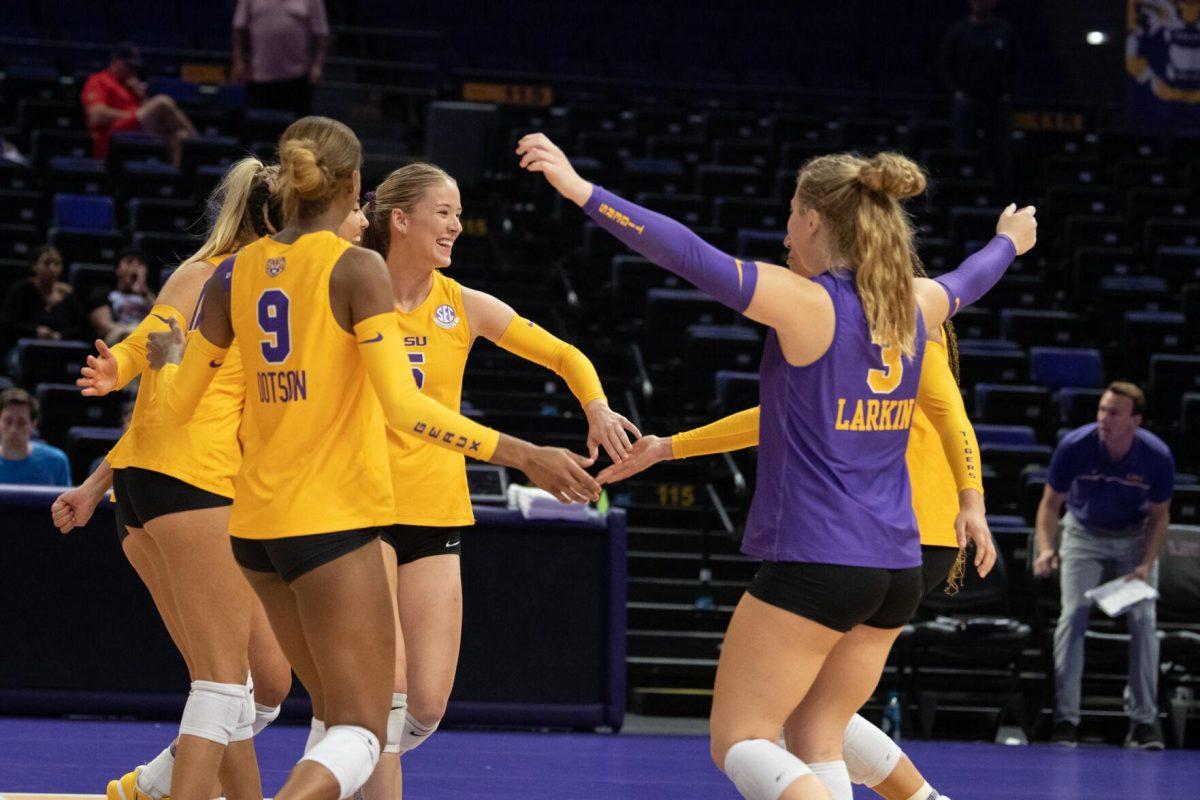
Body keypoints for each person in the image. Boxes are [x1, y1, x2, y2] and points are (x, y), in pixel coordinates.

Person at [519, 132, 1035, 800]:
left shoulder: (805, 302)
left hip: (820, 556)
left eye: (792, 214)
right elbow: (975, 276)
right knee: (819, 733)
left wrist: (581, 191)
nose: (786, 233)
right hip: (897, 567)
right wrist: (1009, 241)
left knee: (741, 738)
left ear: (814, 218)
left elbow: (686, 253)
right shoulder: (917, 304)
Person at [149, 116, 598, 800]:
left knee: (343, 717)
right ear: (356, 187)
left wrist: (159, 361)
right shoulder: (356, 268)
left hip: (255, 532)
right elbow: (406, 409)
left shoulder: (232, 273)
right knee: (362, 728)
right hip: (333, 524)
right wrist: (521, 452)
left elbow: (176, 410)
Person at [599, 285, 991, 800]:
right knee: (819, 711)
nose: (787, 242)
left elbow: (950, 412)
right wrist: (671, 447)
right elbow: (780, 416)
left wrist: (973, 498)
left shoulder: (892, 315)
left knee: (808, 724)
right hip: (918, 540)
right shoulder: (868, 320)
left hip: (882, 534)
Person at [344, 163, 638, 799]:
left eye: (458, 213)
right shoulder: (348, 293)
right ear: (400, 220)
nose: (456, 226)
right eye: (444, 212)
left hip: (436, 512)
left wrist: (594, 405)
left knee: (424, 704)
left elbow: (564, 354)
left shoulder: (462, 306)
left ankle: (337, 761)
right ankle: (348, 754)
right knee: (386, 701)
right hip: (359, 507)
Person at [58, 158, 294, 800]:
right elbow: (149, 343)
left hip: (159, 480)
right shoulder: (209, 271)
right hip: (191, 486)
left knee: (266, 683)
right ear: (278, 215)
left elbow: (171, 398)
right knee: (223, 683)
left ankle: (154, 783)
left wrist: (93, 484)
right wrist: (122, 370)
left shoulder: (279, 282)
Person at [1033, 382, 1174, 750]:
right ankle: (1065, 720)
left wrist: (1146, 564)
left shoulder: (1156, 456)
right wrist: (1047, 548)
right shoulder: (1075, 446)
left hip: (1134, 538)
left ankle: (1145, 723)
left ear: (1135, 420)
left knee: (1143, 620)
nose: (1104, 419)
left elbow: (1160, 517)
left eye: (1114, 412)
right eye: (1101, 410)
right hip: (1082, 534)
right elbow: (1050, 505)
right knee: (1073, 613)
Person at [938, 0, 1017, 190]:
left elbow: (1015, 65)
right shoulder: (958, 31)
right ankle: (963, 190)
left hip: (996, 103)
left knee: (999, 152)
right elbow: (944, 65)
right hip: (967, 102)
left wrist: (1007, 92)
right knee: (964, 148)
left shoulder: (1005, 32)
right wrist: (956, 92)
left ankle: (999, 194)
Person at [81, 42, 198, 166]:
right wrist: (134, 115)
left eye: (134, 67)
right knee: (163, 101)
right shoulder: (98, 80)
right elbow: (97, 115)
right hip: (113, 135)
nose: (132, 71)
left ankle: (175, 179)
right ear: (116, 61)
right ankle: (198, 142)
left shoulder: (130, 85)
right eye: (128, 66)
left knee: (180, 135)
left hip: (138, 129)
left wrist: (141, 96)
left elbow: (148, 115)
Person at [232, 0, 329, 119]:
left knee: (297, 132)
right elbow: (238, 29)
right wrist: (239, 61)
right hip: (258, 77)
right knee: (259, 129)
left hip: (297, 78)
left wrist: (317, 65)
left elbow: (321, 34)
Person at [0, 245, 85, 357]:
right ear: (34, 266)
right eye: (47, 263)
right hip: (25, 350)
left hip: (61, 350)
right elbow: (8, 325)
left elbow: (82, 328)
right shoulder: (21, 291)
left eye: (57, 264)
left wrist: (60, 335)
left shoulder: (68, 295)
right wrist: (35, 331)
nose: (52, 268)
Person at [0, 388, 71, 486]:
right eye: (8, 422)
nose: (13, 430)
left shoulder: (56, 461)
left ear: (33, 424)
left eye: (21, 423)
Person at [87, 248, 157, 345]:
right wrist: (132, 333)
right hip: (119, 340)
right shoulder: (104, 294)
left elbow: (163, 319)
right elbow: (104, 326)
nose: (135, 267)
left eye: (140, 264)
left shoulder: (152, 296)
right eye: (129, 262)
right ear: (118, 269)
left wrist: (145, 293)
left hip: (148, 340)